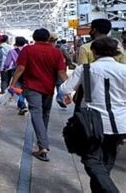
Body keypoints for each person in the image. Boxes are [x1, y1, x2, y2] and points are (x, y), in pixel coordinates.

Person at [60, 37, 126, 193]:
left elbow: (64, 88)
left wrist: (70, 93)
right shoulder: (124, 70)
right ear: (116, 52)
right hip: (121, 122)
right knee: (108, 160)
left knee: (91, 160)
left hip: (93, 123)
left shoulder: (86, 69)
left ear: (94, 51)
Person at [9, 28, 67, 161]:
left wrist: (13, 83)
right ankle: (42, 142)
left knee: (36, 113)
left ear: (34, 38)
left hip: (32, 87)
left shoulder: (28, 50)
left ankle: (43, 145)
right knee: (45, 114)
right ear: (48, 38)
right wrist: (67, 89)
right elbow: (61, 73)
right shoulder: (56, 52)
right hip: (48, 88)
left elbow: (21, 68)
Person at [4, 36, 28, 115]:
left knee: (17, 88)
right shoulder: (27, 50)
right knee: (24, 88)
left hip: (17, 70)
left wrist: (5, 68)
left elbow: (7, 63)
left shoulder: (12, 51)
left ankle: (22, 104)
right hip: (27, 71)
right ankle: (21, 103)